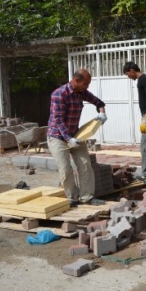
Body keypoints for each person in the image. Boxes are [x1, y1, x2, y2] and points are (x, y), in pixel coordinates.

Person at [47, 68, 107, 206]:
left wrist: (102, 113)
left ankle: (87, 197)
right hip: (57, 137)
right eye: (86, 84)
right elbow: (58, 120)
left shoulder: (81, 92)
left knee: (85, 165)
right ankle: (72, 197)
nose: (87, 87)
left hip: (75, 135)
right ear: (76, 80)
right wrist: (69, 139)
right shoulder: (59, 94)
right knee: (65, 169)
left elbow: (98, 102)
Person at [123, 62, 146, 183]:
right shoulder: (140, 81)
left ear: (132, 70)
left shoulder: (145, 79)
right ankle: (145, 172)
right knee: (144, 145)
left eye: (128, 74)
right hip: (145, 116)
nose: (129, 77)